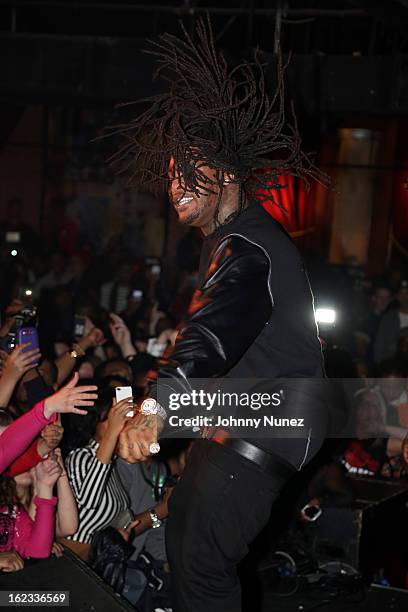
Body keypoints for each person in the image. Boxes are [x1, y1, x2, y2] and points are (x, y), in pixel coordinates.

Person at [110, 18, 331, 612]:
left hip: (262, 432)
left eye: (189, 169)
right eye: (171, 173)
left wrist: (156, 407)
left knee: (202, 569)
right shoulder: (235, 239)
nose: (175, 183)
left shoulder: (248, 243)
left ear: (227, 171)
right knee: (185, 544)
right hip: (241, 426)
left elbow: (210, 334)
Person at [374, 280, 408, 364]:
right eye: (401, 293)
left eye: (407, 293)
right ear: (397, 296)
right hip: (392, 369)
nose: (404, 296)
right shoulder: (388, 318)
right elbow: (379, 346)